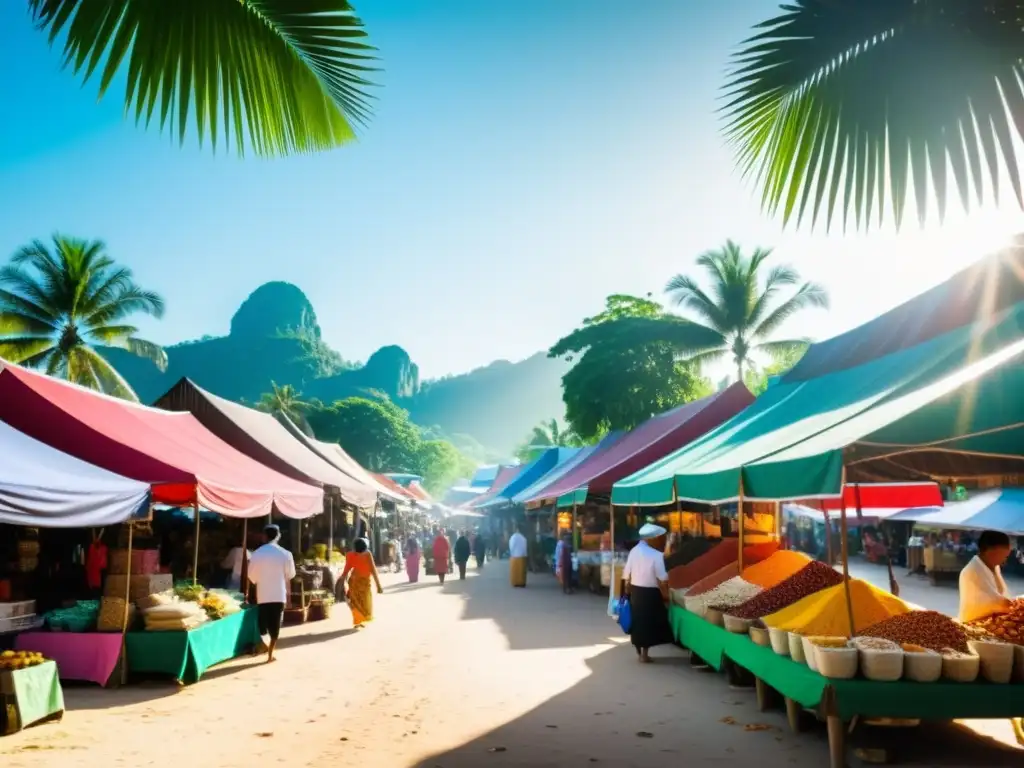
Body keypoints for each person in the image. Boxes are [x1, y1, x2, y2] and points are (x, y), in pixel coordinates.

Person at [246, 524, 295, 664]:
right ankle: (270, 653)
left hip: (263, 595)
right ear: (278, 536)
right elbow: (289, 576)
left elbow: (252, 577)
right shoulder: (286, 554)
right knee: (275, 626)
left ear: (264, 536)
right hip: (279, 595)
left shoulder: (256, 554)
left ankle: (267, 649)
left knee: (264, 626)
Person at [623, 523, 672, 663]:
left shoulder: (633, 551)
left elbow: (627, 573)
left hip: (636, 592)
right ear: (653, 539)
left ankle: (640, 652)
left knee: (638, 622)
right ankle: (645, 653)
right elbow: (663, 577)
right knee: (649, 624)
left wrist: (627, 589)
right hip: (650, 593)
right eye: (660, 538)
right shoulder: (656, 555)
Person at [958, 529, 1014, 623]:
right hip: (972, 622)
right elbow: (992, 601)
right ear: (990, 551)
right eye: (1003, 556)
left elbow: (1002, 594)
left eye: (1006, 556)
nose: (1004, 560)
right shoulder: (972, 571)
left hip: (992, 620)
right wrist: (1014, 605)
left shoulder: (995, 567)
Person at [341, 538, 383, 627]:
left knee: (356, 603)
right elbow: (373, 570)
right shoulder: (367, 554)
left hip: (354, 582)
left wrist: (342, 580)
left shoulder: (350, 555)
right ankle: (359, 620)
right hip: (361, 583)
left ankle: (358, 620)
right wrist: (378, 585)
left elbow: (346, 569)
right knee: (364, 603)